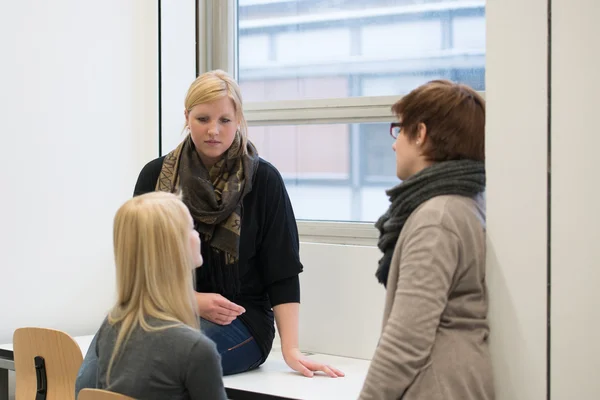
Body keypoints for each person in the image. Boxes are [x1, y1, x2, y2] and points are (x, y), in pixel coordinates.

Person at [75, 70, 342, 395]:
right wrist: (190, 301)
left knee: (153, 361)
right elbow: (139, 260)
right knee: (101, 354)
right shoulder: (156, 175)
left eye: (225, 120)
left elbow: (282, 271)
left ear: (239, 120)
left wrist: (292, 350)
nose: (214, 130)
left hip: (239, 320)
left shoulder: (264, 181)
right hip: (164, 308)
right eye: (203, 118)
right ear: (187, 117)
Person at [358, 80, 494, 400]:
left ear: (420, 133)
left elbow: (407, 339)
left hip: (437, 385)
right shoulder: (464, 203)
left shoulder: (436, 219)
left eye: (399, 130)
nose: (394, 145)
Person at [87, 192, 227, 399]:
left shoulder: (112, 327)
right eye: (190, 228)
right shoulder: (195, 349)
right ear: (172, 247)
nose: (198, 235)